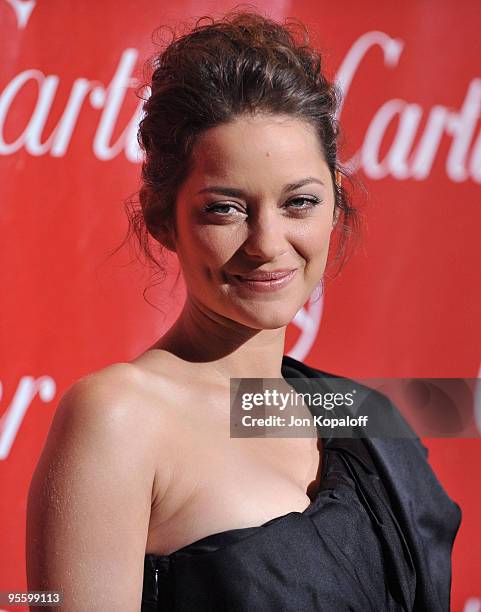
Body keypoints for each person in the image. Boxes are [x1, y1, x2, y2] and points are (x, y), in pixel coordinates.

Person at [26, 9, 461, 612]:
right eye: (225, 209)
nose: (267, 244)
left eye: (299, 202)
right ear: (162, 219)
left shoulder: (357, 411)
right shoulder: (118, 417)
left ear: (336, 205)